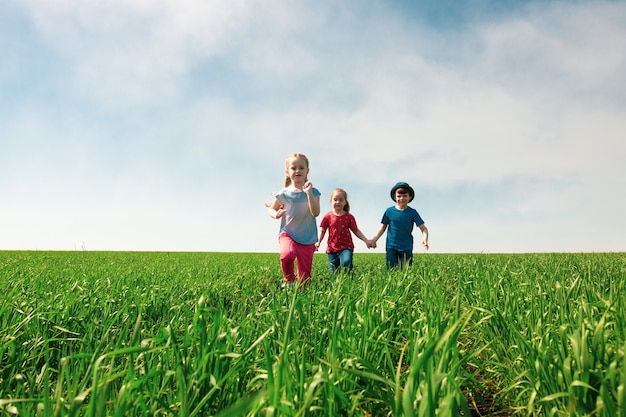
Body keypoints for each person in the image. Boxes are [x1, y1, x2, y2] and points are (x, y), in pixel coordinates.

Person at [267, 153, 321, 288]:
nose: (298, 170)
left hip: (307, 237)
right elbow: (271, 209)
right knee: (287, 254)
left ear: (307, 171)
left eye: (301, 168)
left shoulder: (314, 192)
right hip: (288, 233)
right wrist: (276, 214)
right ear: (287, 172)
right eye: (293, 168)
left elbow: (315, 213)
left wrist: (308, 193)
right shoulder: (283, 193)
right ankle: (289, 280)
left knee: (305, 279)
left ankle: (301, 296)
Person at [370, 182, 429, 268]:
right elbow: (382, 228)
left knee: (407, 271)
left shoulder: (412, 212)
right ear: (394, 197)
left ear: (410, 197)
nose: (402, 198)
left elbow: (424, 229)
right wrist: (374, 239)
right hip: (392, 246)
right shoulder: (389, 211)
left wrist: (425, 239)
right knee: (391, 270)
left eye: (405, 196)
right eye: (399, 196)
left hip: (406, 247)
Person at [315, 188, 372, 274]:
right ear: (331, 201)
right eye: (335, 200)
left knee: (346, 263)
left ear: (345, 202)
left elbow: (356, 230)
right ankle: (335, 286)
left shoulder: (349, 217)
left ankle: (349, 281)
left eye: (341, 200)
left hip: (346, 247)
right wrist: (318, 242)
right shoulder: (327, 216)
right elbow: (322, 230)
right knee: (333, 273)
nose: (338, 202)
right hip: (332, 249)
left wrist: (366, 241)